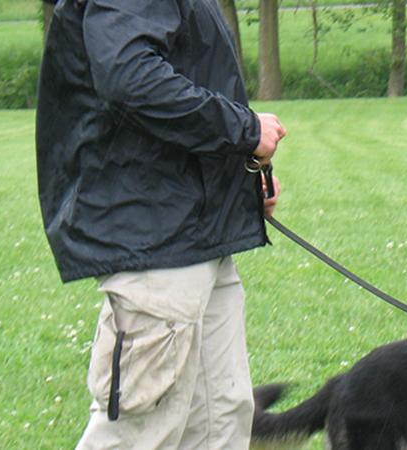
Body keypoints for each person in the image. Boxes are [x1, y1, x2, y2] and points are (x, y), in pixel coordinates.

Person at [35, 0, 286, 448]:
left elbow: (178, 83)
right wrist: (243, 129)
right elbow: (129, 79)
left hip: (196, 235)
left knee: (222, 419)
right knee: (140, 431)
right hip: (154, 238)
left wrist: (237, 181)